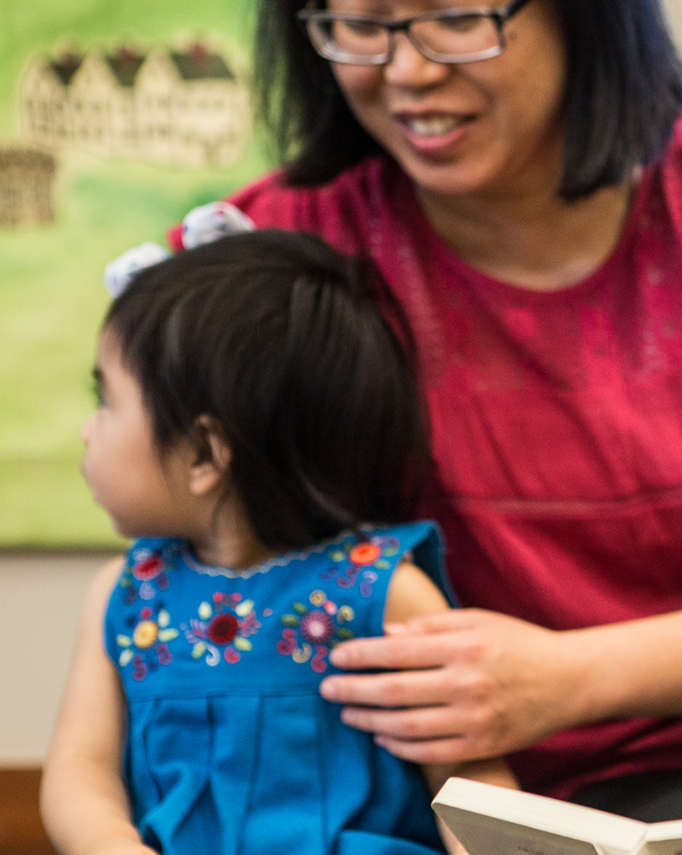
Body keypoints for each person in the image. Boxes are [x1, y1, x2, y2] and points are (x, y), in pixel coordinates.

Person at [189, 0, 682, 819]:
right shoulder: (272, 244)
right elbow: (190, 550)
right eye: (360, 24)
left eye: (458, 18)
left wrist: (561, 679)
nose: (407, 71)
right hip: (382, 789)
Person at [41, 230, 514, 855]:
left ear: (205, 454)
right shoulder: (124, 598)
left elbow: (469, 781)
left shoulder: (386, 593)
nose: (86, 429)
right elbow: (80, 771)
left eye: (105, 400)